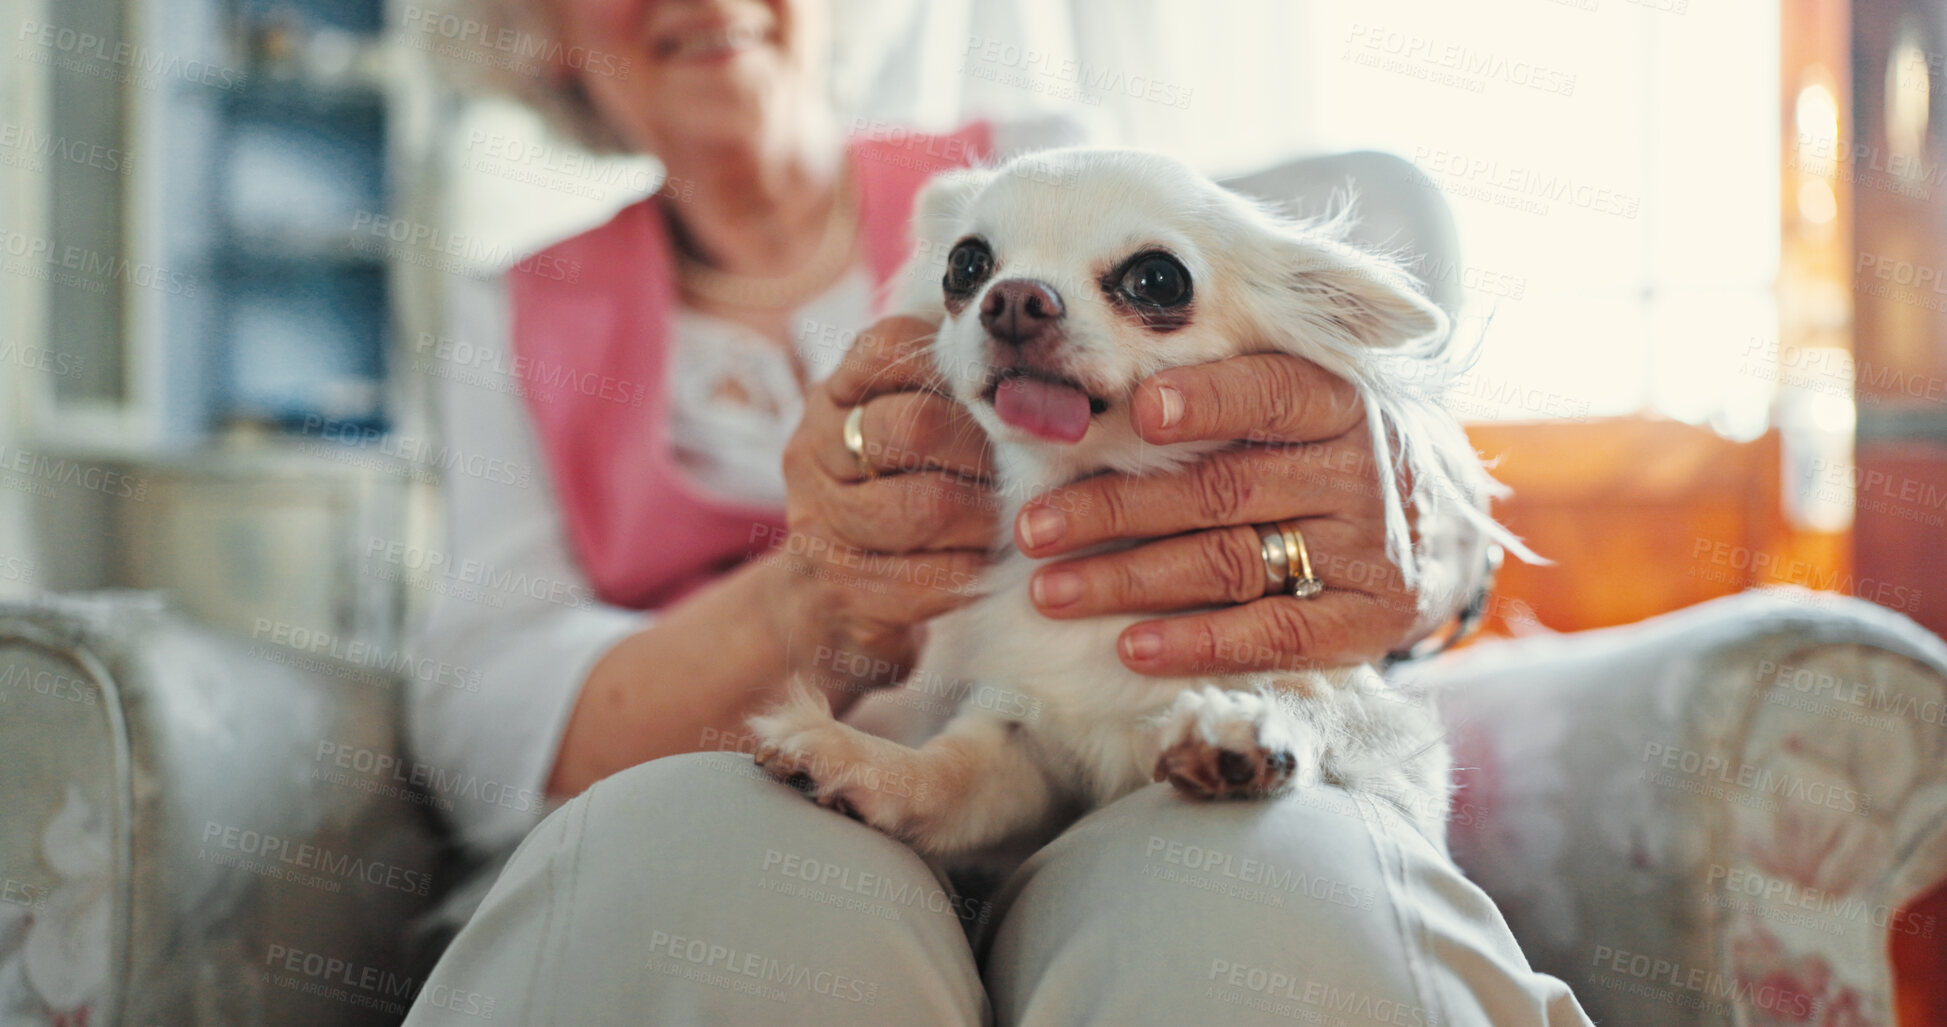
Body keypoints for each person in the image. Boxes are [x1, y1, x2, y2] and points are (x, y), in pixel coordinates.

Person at [400, 0, 1591, 1022]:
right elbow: (485, 714)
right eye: (976, 278)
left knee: (1261, 899)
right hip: (729, 803)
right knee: (719, 881)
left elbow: (1366, 446)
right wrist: (817, 597)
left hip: (1112, 786)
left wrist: (1424, 540)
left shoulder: (1037, 173)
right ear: (535, 28)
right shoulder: (515, 317)